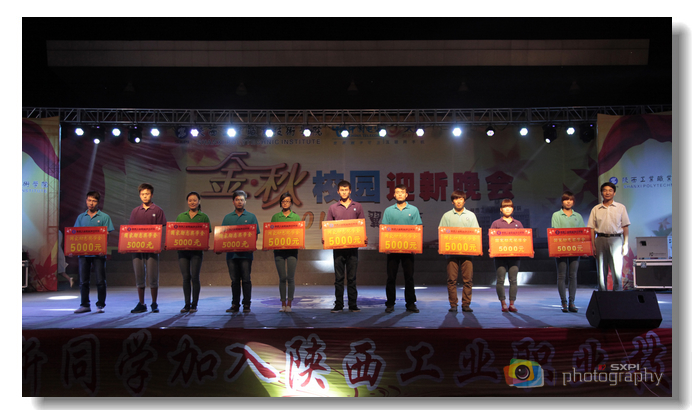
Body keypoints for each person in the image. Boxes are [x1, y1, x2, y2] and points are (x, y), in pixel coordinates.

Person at [325, 180, 366, 313]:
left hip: (353, 248)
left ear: (350, 191)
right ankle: (339, 304)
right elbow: (328, 228)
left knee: (352, 277)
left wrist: (363, 237)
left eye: (346, 190)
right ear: (338, 192)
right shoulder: (333, 208)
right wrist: (326, 238)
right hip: (338, 248)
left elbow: (361, 225)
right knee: (339, 278)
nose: (344, 192)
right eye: (341, 190)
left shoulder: (357, 206)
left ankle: (353, 304)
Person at [381, 184, 423, 313]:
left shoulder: (414, 210)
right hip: (392, 249)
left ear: (406, 195)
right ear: (394, 195)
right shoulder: (388, 210)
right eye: (397, 192)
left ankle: (410, 303)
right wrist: (386, 246)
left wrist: (415, 246)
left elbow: (417, 228)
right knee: (391, 277)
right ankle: (390, 303)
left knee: (409, 277)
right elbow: (385, 229)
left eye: (402, 192)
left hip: (408, 249)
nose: (400, 194)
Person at [73, 191, 115, 313]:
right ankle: (85, 305)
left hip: (99, 253)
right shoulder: (81, 217)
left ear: (98, 202)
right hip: (83, 253)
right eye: (89, 200)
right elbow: (75, 235)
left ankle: (100, 305)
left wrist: (102, 247)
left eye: (94, 201)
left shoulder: (104, 217)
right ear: (86, 201)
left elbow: (107, 235)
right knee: (83, 281)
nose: (91, 203)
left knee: (100, 280)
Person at [438, 190, 479, 313]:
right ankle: (453, 304)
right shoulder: (446, 216)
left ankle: (466, 304)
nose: (459, 201)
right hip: (451, 253)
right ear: (452, 201)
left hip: (468, 253)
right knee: (451, 280)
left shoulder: (471, 215)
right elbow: (442, 233)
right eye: (456, 199)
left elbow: (476, 233)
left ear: (464, 201)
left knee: (468, 280)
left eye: (461, 198)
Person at [129, 183, 167, 313]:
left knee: (153, 275)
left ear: (152, 195)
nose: (145, 196)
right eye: (142, 194)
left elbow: (161, 229)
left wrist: (160, 245)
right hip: (137, 248)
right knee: (139, 275)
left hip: (152, 248)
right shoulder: (135, 211)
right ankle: (141, 303)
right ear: (140, 195)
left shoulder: (158, 210)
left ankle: (154, 303)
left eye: (147, 194)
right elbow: (130, 230)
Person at [221, 190, 260, 313]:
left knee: (246, 279)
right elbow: (222, 236)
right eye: (237, 199)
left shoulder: (251, 217)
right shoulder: (227, 217)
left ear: (245, 202)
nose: (239, 202)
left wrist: (250, 245)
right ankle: (235, 304)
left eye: (242, 200)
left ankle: (247, 304)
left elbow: (255, 235)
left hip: (246, 255)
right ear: (233, 202)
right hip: (231, 255)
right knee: (234, 281)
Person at [587, 182, 630, 291]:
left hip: (616, 240)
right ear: (601, 193)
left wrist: (625, 243)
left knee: (617, 269)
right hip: (600, 239)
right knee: (601, 269)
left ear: (614, 193)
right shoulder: (596, 209)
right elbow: (591, 228)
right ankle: (602, 294)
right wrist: (593, 245)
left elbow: (625, 226)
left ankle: (617, 294)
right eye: (605, 190)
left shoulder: (621, 207)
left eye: (610, 190)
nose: (607, 193)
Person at [174, 191, 211, 313]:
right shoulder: (181, 217)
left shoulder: (204, 217)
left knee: (195, 277)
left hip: (197, 252)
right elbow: (175, 233)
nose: (192, 202)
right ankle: (186, 304)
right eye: (190, 200)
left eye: (195, 200)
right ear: (187, 202)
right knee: (186, 278)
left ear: (199, 202)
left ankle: (194, 304)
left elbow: (207, 234)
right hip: (182, 252)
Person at [551, 191, 585, 312]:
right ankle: (563, 302)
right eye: (566, 199)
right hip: (561, 249)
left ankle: (572, 302)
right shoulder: (556, 215)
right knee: (561, 275)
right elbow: (555, 232)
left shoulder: (578, 216)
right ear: (562, 202)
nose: (568, 202)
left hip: (575, 249)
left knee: (573, 276)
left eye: (570, 200)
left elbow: (582, 233)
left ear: (573, 202)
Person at [490, 198, 524, 313]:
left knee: (513, 280)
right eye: (505, 207)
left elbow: (524, 239)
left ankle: (512, 304)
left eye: (510, 207)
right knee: (500, 280)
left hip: (515, 257)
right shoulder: (496, 223)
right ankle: (503, 303)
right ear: (501, 209)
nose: (507, 209)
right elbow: (492, 239)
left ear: (513, 209)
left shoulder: (518, 224)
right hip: (500, 257)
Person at [271, 192, 301, 312]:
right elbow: (271, 234)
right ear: (280, 203)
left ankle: (289, 303)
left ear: (291, 203)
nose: (285, 203)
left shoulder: (296, 217)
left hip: (292, 251)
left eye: (288, 201)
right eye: (283, 201)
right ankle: (283, 303)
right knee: (282, 277)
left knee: (290, 277)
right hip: (279, 251)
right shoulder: (275, 217)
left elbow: (299, 234)